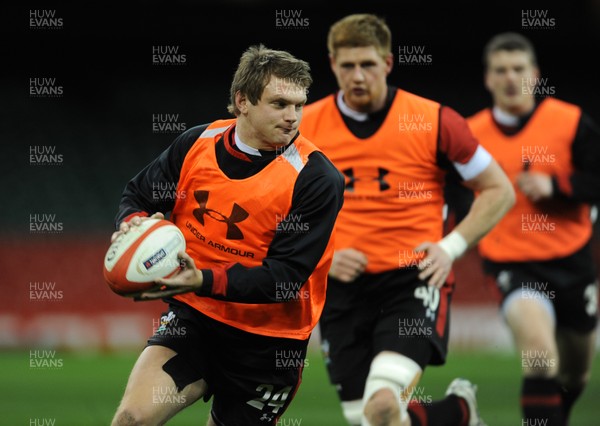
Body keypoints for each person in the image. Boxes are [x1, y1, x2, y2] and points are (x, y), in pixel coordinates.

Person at [109, 44, 345, 426]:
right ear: (243, 101)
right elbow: (138, 196)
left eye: (298, 106)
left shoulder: (317, 179)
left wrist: (199, 279)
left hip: (269, 343)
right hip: (196, 320)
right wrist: (133, 224)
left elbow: (284, 278)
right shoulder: (196, 143)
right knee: (131, 420)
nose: (292, 118)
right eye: (279, 104)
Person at [299, 13, 515, 426]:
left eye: (367, 64)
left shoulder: (434, 120)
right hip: (339, 292)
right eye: (347, 66)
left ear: (388, 63)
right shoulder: (305, 126)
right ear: (332, 64)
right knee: (372, 420)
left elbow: (498, 190)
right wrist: (323, 257)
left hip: (412, 281)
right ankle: (457, 413)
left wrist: (450, 248)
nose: (357, 76)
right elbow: (279, 209)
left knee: (380, 407)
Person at [466, 32, 599, 426]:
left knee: (575, 374)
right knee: (540, 359)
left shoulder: (570, 122)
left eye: (519, 69)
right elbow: (453, 194)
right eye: (501, 70)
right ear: (488, 78)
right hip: (512, 264)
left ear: (535, 75)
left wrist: (558, 187)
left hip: (571, 261)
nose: (511, 78)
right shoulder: (470, 135)